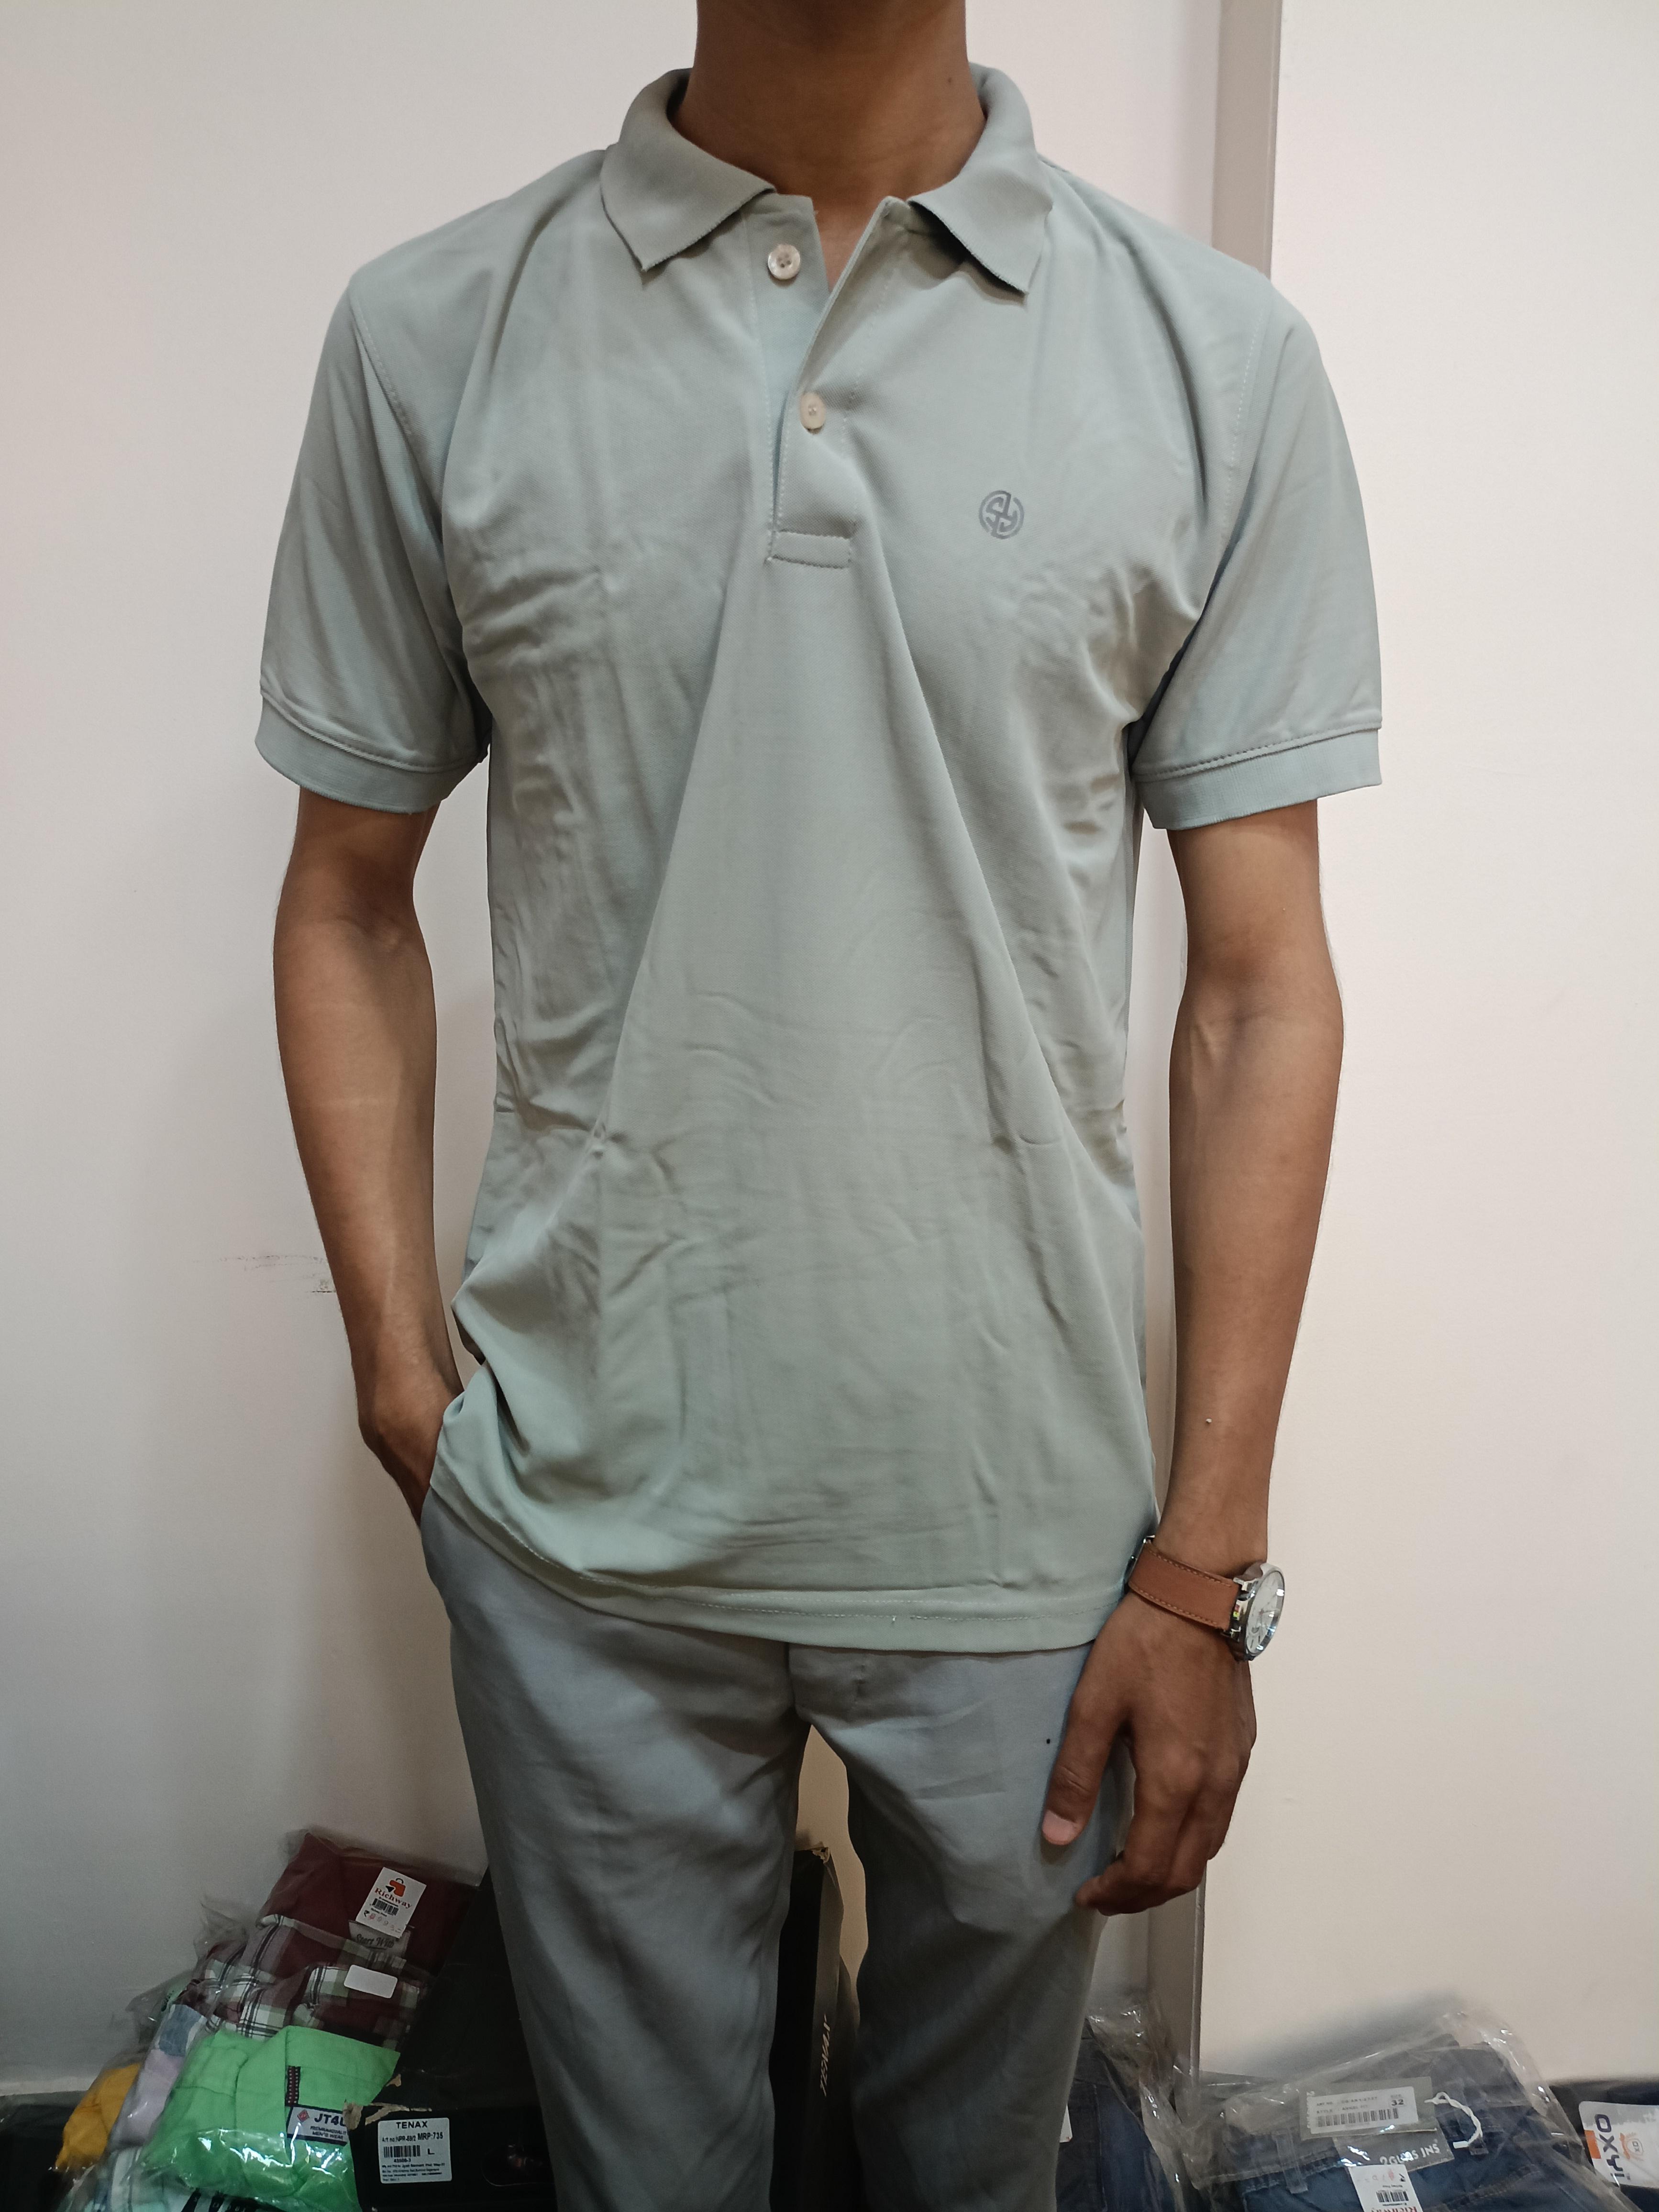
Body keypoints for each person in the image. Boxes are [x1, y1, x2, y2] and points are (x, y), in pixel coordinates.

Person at [262, 3, 1380, 2206]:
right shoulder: (431, 335)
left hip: (1031, 1541)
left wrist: (1209, 1562)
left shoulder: (1215, 360)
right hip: (580, 1530)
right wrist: (402, 1371)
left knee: (977, 2178)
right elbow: (344, 898)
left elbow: (1261, 991)